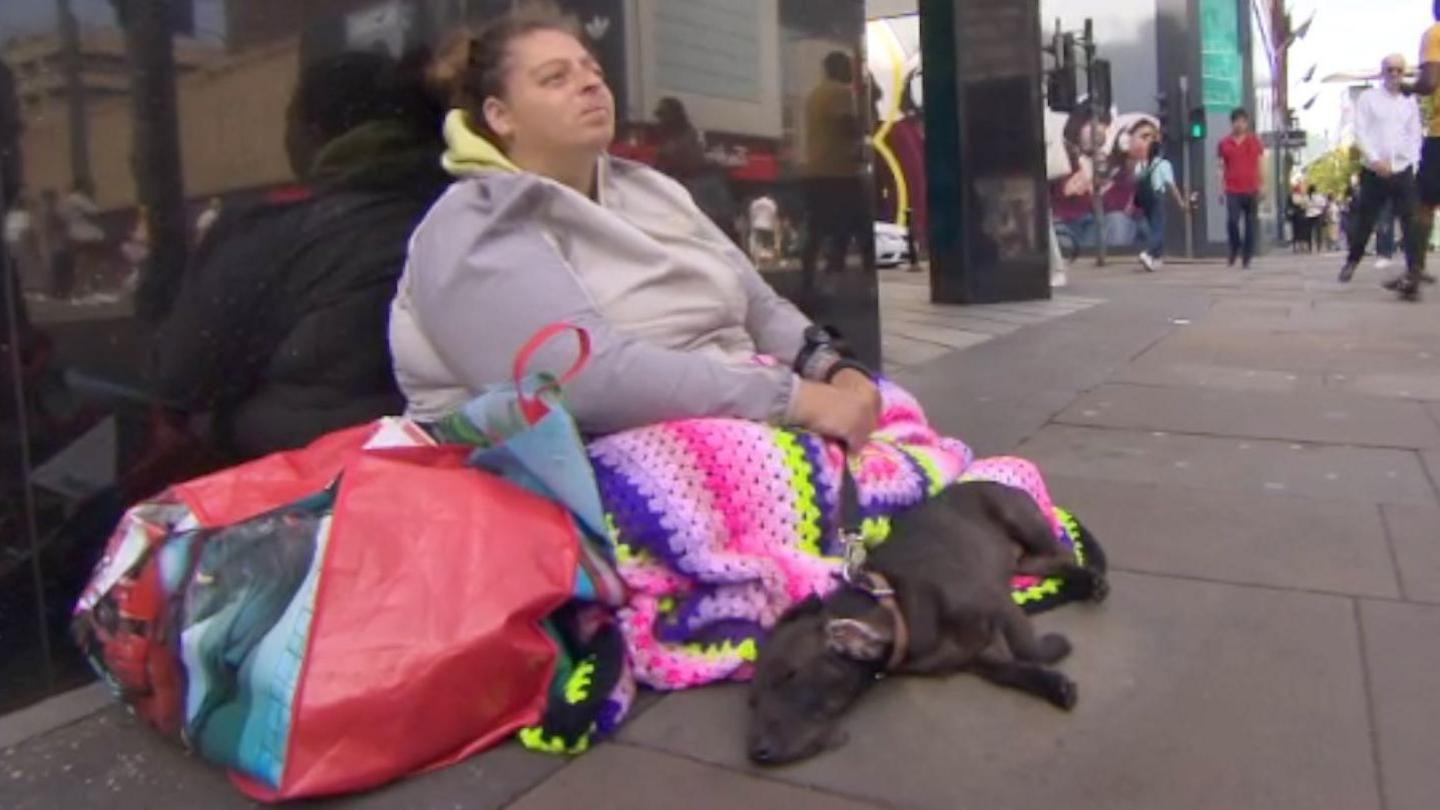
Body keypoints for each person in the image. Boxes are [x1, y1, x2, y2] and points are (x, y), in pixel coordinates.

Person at [389, 10, 880, 449]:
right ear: (500, 115)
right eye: (555, 78)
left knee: (914, 453)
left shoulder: (651, 189)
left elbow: (758, 304)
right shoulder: (473, 225)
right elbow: (581, 379)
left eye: (593, 70)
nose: (590, 85)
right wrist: (793, 399)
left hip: (743, 419)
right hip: (575, 482)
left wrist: (829, 366)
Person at [149, 50, 450, 461]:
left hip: (307, 488)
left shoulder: (273, 229)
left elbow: (183, 381)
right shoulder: (468, 204)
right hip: (443, 470)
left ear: (313, 129)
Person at [1339, 54, 1424, 298]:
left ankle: (1413, 269)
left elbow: (1414, 134)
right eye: (1390, 70)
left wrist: (1410, 163)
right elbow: (1360, 131)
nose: (1394, 75)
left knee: (1410, 220)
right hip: (1375, 169)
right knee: (1366, 218)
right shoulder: (1369, 99)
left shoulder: (1409, 100)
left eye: (1399, 70)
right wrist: (1375, 159)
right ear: (1383, 72)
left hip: (1402, 169)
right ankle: (1352, 260)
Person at [799, 51, 870, 290]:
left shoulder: (814, 95)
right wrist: (863, 124)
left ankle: (808, 277)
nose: (852, 72)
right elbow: (847, 126)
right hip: (839, 171)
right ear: (839, 68)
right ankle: (861, 276)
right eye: (849, 67)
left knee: (817, 228)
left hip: (815, 170)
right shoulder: (840, 93)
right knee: (861, 223)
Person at [1404, 0, 1440, 283]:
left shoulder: (1435, 34)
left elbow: (1428, 83)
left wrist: (1406, 87)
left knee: (1424, 204)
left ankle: (1415, 269)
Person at [1217, 108, 1264, 268]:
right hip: (1232, 189)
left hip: (1251, 188)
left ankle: (1247, 257)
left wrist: (1263, 185)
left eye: (1243, 121)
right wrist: (1220, 188)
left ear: (1247, 123)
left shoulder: (1254, 141)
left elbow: (1260, 163)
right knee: (1232, 221)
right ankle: (1235, 246)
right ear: (1232, 123)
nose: (1239, 124)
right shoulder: (1224, 143)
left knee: (1250, 225)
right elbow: (1220, 167)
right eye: (1236, 121)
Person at [1135, 137, 1188, 272]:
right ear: (1160, 151)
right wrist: (1181, 203)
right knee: (1159, 229)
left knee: (1153, 227)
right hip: (1157, 197)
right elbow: (1171, 186)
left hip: (1145, 200)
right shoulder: (1164, 164)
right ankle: (1148, 253)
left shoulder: (1141, 165)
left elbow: (1137, 182)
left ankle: (1156, 259)